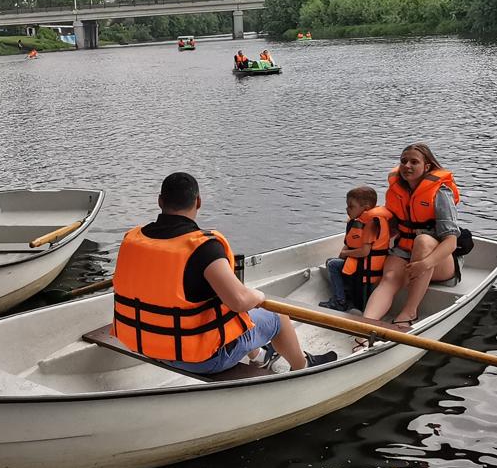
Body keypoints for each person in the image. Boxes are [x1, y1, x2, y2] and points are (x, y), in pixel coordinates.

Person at [111, 172, 335, 376]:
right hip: (200, 359)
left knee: (229, 313)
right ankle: (302, 368)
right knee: (277, 315)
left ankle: (258, 357)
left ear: (160, 201)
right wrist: (260, 297)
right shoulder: (203, 248)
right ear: (198, 202)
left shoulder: (134, 239)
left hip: (143, 344)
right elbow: (239, 301)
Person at [361, 143, 461, 329]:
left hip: (439, 262)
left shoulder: (440, 192)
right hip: (405, 253)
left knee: (422, 241)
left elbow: (451, 242)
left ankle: (409, 312)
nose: (407, 166)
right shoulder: (396, 191)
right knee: (390, 277)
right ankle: (366, 326)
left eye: (414, 162)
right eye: (403, 161)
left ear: (427, 167)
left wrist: (424, 264)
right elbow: (394, 227)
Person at [323, 185, 390, 311]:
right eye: (347, 205)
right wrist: (344, 253)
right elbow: (349, 242)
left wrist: (345, 254)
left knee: (332, 265)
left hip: (366, 268)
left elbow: (365, 251)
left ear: (365, 208)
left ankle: (340, 301)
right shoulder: (358, 221)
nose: (347, 209)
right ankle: (345, 296)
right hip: (360, 263)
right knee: (332, 262)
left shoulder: (370, 223)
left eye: (351, 206)